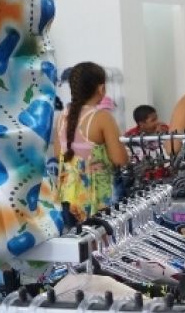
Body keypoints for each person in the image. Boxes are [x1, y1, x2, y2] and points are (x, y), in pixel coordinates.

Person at [54, 62, 129, 226]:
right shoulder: (102, 117)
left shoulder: (61, 118)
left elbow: (59, 156)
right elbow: (120, 159)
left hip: (68, 199)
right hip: (98, 199)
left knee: (77, 240)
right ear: (101, 89)